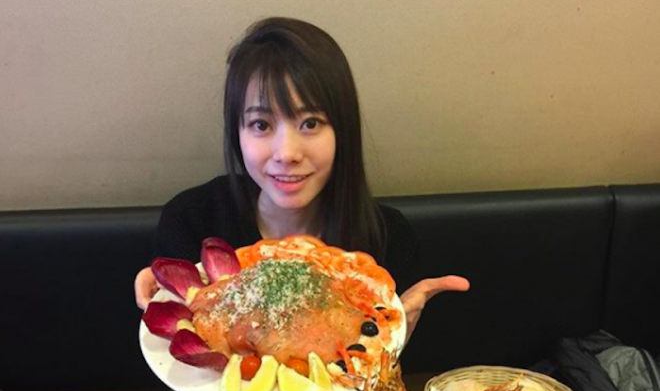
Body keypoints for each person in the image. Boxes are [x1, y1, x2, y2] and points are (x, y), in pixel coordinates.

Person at [135, 17, 469, 344]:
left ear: (342, 130)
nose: (287, 153)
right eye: (261, 125)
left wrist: (394, 342)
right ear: (237, 133)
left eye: (310, 123)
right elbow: (184, 360)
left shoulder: (388, 237)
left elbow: (377, 361)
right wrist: (169, 301)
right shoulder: (192, 220)